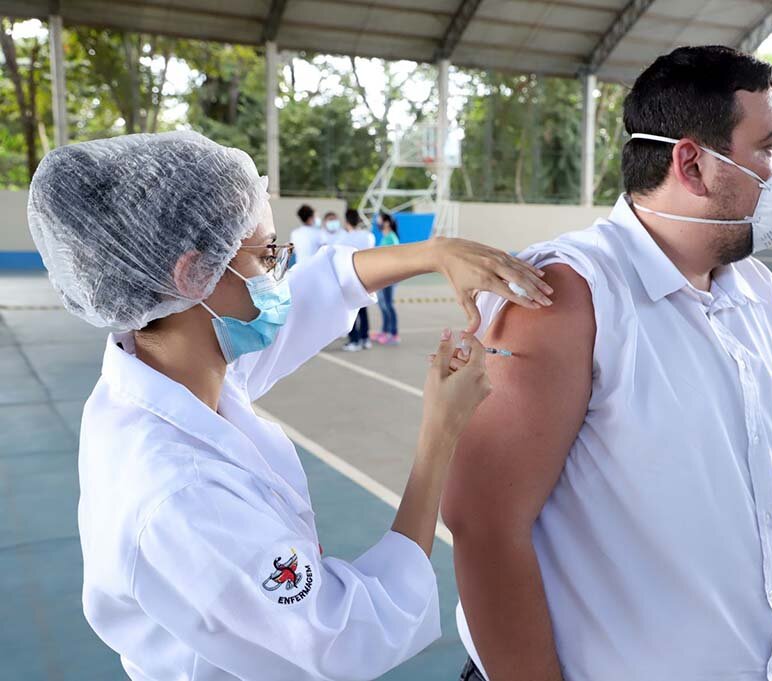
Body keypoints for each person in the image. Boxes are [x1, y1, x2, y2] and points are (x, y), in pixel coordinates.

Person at [26, 130, 554, 681]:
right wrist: (439, 435)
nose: (278, 273)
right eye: (266, 254)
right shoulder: (178, 495)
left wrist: (434, 253)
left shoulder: (173, 370)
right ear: (192, 275)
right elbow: (350, 636)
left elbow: (311, 296)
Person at [442, 46, 772, 681]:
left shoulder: (762, 299)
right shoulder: (570, 294)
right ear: (693, 162)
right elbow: (482, 522)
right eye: (770, 148)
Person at [341, 208, 375, 352]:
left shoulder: (343, 238)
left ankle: (354, 340)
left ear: (347, 221)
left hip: (350, 277)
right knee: (363, 309)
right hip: (366, 276)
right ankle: (365, 338)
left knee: (351, 310)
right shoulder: (368, 236)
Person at [372, 211, 401, 345]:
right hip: (382, 276)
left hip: (389, 277)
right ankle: (384, 331)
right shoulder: (385, 236)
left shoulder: (392, 237)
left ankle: (393, 334)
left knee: (388, 305)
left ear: (387, 222)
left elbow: (394, 258)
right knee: (383, 304)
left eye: (380, 220)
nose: (378, 223)